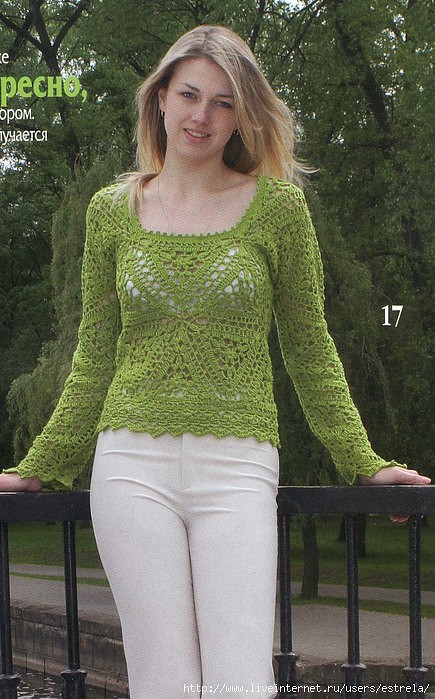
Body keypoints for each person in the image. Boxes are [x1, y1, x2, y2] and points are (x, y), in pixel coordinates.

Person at [0, 24, 430, 699]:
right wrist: (41, 465)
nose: (202, 116)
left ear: (241, 116)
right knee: (163, 682)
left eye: (223, 102)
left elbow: (308, 345)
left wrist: (361, 461)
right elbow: (94, 354)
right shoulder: (111, 211)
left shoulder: (279, 209)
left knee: (240, 681)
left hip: (238, 464)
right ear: (160, 99)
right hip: (130, 465)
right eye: (189, 95)